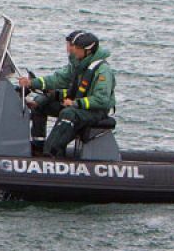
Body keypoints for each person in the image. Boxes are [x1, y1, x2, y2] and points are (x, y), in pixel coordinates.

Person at [16, 30, 116, 158]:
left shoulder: (102, 71)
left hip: (95, 111)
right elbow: (59, 79)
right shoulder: (79, 65)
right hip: (80, 105)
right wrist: (32, 83)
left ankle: (52, 151)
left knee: (68, 113)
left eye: (77, 48)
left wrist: (75, 103)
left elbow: (102, 100)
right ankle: (38, 146)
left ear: (88, 51)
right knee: (41, 106)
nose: (72, 50)